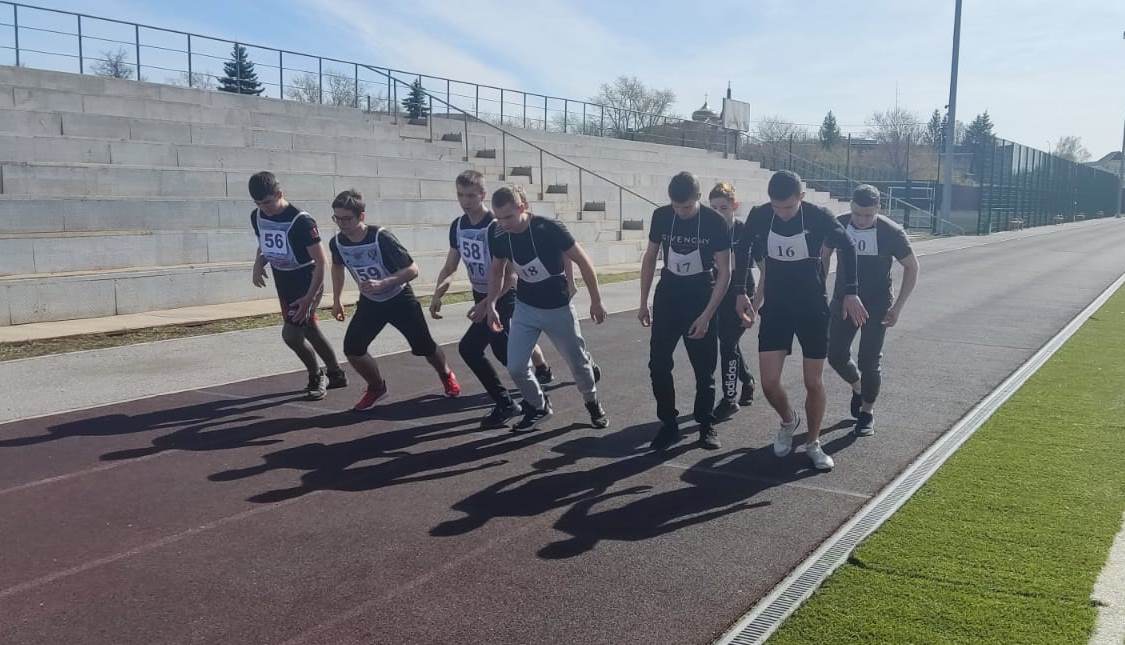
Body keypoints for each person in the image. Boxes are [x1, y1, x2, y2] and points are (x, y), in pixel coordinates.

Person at [736, 170, 867, 470]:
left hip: (811, 307)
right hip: (777, 307)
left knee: (813, 381)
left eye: (788, 207)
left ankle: (813, 442)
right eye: (776, 207)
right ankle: (788, 420)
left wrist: (850, 292)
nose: (782, 214)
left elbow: (848, 246)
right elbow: (743, 248)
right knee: (769, 383)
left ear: (801, 198)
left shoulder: (818, 216)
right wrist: (740, 291)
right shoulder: (760, 215)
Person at [430, 170, 558, 428]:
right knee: (494, 351)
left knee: (481, 350)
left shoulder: (497, 226)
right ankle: (513, 403)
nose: (465, 201)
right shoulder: (458, 226)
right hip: (482, 296)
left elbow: (510, 276)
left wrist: (487, 303)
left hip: (503, 296)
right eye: (460, 195)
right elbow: (450, 266)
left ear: (483, 195)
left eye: (471, 195)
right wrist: (438, 293)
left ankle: (530, 402)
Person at [484, 186, 608, 432]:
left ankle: (592, 402)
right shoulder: (498, 233)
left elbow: (583, 261)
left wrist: (596, 300)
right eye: (499, 218)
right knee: (516, 367)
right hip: (525, 307)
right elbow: (497, 270)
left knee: (578, 365)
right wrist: (491, 304)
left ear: (522, 207)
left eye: (508, 217)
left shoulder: (548, 228)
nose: (504, 223)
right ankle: (539, 406)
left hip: (557, 308)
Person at [327, 189, 460, 410]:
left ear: (361, 216)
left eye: (347, 219)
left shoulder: (381, 237)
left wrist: (384, 283)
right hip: (371, 302)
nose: (342, 224)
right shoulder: (337, 243)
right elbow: (337, 267)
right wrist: (337, 299)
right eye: (337, 218)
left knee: (425, 346)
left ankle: (446, 374)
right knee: (353, 348)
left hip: (399, 299)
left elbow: (413, 270)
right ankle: (376, 387)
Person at [638, 172, 731, 450]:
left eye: (687, 207)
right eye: (676, 206)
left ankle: (705, 423)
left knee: (704, 368)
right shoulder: (661, 216)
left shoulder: (715, 222)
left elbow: (725, 272)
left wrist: (707, 315)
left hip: (700, 293)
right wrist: (643, 302)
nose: (681, 212)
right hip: (669, 292)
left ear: (698, 198)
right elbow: (650, 257)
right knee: (658, 364)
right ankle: (668, 423)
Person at [824, 184, 919, 436]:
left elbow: (912, 267)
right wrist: (820, 292)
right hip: (844, 299)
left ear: (878, 208)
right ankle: (858, 387)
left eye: (868, 215)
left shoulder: (892, 232)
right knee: (835, 355)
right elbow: (823, 255)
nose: (861, 220)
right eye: (857, 213)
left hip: (877, 304)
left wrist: (897, 307)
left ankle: (867, 412)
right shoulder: (838, 224)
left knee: (869, 359)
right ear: (851, 206)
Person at [248, 171, 346, 400]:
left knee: (291, 335)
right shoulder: (257, 216)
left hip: (307, 279)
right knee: (309, 329)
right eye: (258, 203)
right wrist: (258, 263)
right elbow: (265, 243)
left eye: (268, 202)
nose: (264, 208)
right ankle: (336, 373)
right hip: (283, 280)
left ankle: (316, 375)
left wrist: (310, 297)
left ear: (279, 194)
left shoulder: (301, 221)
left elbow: (321, 262)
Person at [708, 181, 757, 423]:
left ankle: (730, 399)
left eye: (723, 208)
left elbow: (761, 267)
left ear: (734, 206)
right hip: (717, 293)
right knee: (728, 342)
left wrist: (755, 304)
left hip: (741, 293)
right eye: (714, 208)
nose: (718, 213)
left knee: (728, 343)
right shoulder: (708, 230)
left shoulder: (744, 231)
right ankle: (747, 380)